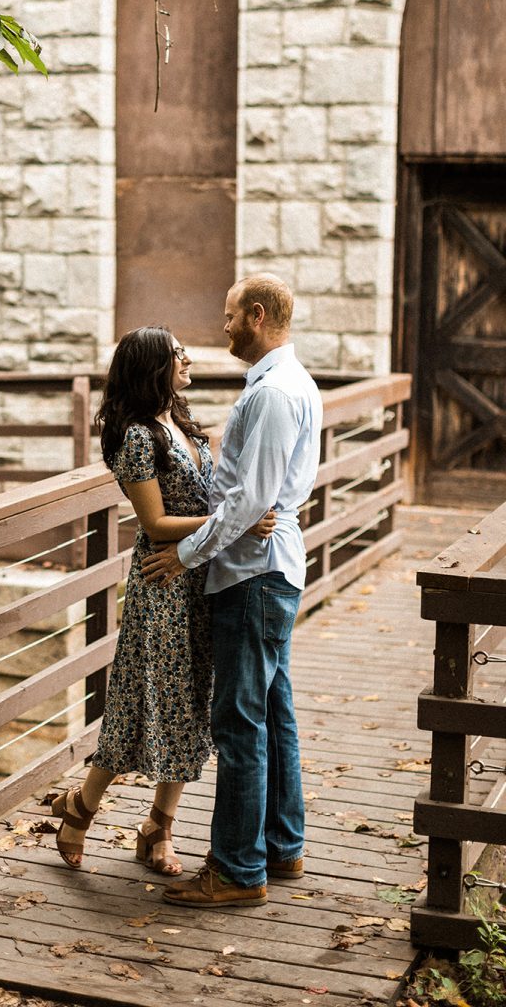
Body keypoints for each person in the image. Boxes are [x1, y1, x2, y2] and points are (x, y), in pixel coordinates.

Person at [50, 326, 275, 876]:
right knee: (137, 704)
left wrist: (230, 523)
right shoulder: (136, 437)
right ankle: (80, 810)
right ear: (153, 365)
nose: (188, 357)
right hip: (164, 586)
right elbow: (154, 523)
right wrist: (235, 524)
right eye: (177, 353)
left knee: (194, 706)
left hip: (202, 576)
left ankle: (157, 827)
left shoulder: (181, 419)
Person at [142, 274, 322, 909]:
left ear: (258, 313)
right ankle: (282, 845)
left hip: (254, 573)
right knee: (273, 712)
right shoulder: (282, 383)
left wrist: (186, 554)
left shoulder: (275, 392)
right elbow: (253, 496)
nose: (222, 329)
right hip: (264, 566)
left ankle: (238, 870)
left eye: (229, 317)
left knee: (240, 721)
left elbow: (251, 499)